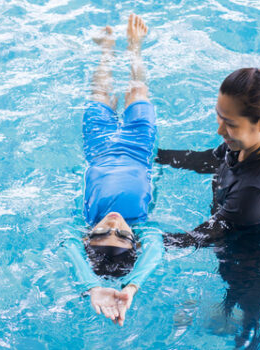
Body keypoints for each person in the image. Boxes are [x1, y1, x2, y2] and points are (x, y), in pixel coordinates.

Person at [157, 68, 260, 346]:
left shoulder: (254, 195)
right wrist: (153, 156)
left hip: (253, 265)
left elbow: (200, 237)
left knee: (247, 322)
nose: (220, 130)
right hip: (238, 232)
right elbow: (208, 160)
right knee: (225, 309)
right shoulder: (251, 142)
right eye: (219, 118)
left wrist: (138, 246)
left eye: (229, 124)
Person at [61, 14, 162, 327]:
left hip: (99, 148)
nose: (113, 224)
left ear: (89, 237)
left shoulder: (85, 221)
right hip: (139, 146)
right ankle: (135, 48)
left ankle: (106, 50)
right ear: (136, 241)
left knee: (100, 95)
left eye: (103, 232)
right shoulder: (144, 226)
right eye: (121, 235)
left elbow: (69, 248)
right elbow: (155, 252)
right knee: (137, 90)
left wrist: (91, 286)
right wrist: (132, 286)